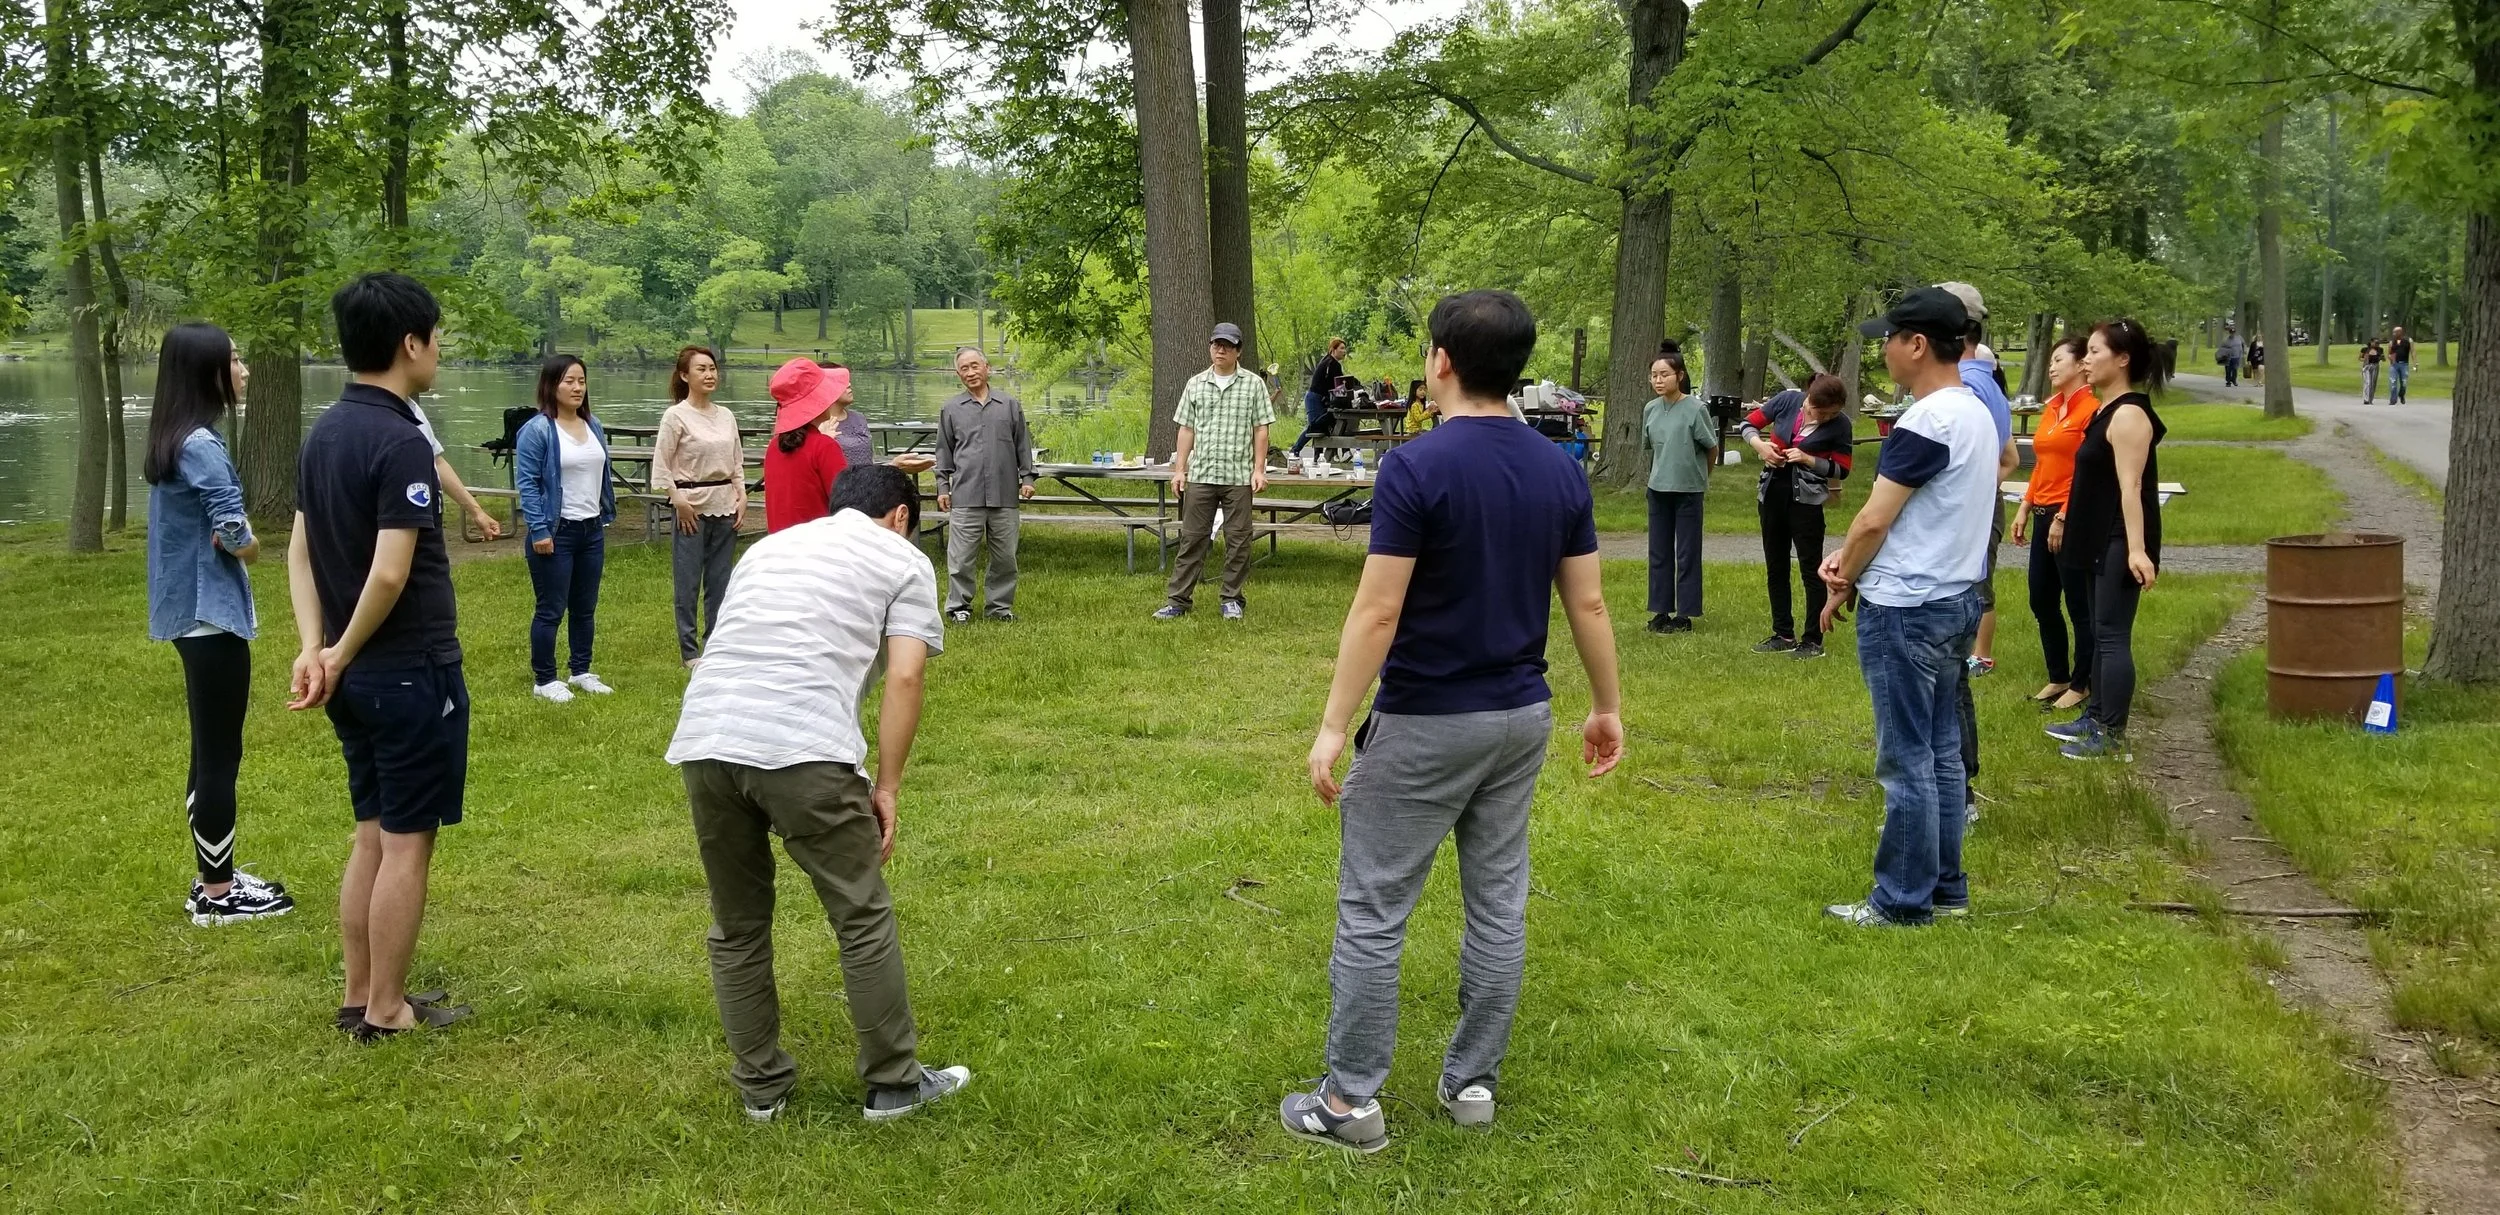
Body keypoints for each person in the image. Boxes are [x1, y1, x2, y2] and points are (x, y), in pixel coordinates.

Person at [1284, 289, 1624, 1152]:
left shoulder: (1416, 465)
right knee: (1498, 902)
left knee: (1373, 907)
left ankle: (1348, 1103)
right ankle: (1471, 1085)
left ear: (1440, 361)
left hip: (1431, 717)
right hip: (1520, 717)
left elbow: (1376, 611)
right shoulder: (1559, 467)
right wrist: (1606, 705)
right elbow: (1586, 601)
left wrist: (1333, 724)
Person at [666, 464, 973, 1124]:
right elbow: (906, 677)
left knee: (737, 922)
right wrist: (887, 785)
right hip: (803, 746)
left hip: (706, 738)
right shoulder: (902, 556)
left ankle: (761, 1089)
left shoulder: (768, 547)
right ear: (900, 516)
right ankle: (894, 1084)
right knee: (860, 911)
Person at [287, 271, 474, 1039]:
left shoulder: (324, 431)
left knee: (370, 831)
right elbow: (392, 570)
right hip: (409, 671)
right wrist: (337, 647)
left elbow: (298, 552)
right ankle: (388, 1009)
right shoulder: (400, 440)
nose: (440, 348)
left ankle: (360, 992)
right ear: (410, 343)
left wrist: (319, 649)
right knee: (406, 840)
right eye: (436, 335)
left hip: (357, 677)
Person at [1816, 287, 1997, 927]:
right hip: (1955, 600)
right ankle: (1946, 890)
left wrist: (1841, 578)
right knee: (1943, 751)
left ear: (1917, 344)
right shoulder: (1975, 410)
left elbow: (1872, 521)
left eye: (1888, 339)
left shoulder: (1924, 421)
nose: (1883, 351)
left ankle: (1900, 901)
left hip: (1908, 606)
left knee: (1907, 759)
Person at [144, 323, 295, 926]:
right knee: (219, 757)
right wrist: (253, 548)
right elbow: (234, 533)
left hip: (186, 612)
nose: (245, 370)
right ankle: (218, 894)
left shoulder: (171, 437)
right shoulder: (201, 444)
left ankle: (212, 877)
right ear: (210, 371)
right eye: (236, 360)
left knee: (206, 750)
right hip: (211, 614)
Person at [2047, 319, 2169, 762]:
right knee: (2100, 634)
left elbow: (2131, 489)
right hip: (2097, 537)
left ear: (2123, 359)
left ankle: (2112, 735)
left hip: (2119, 539)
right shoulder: (2105, 410)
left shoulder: (2131, 414)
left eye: (2095, 352)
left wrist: (2137, 550)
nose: (2086, 360)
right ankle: (2095, 716)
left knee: (2114, 636)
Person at [1154, 322, 1274, 621]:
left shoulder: (1253, 384)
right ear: (1210, 347)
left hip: (1238, 476)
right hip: (1201, 475)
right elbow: (1186, 428)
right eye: (1216, 344)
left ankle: (1231, 599)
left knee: (1238, 540)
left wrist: (1259, 470)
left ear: (1238, 351)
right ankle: (1178, 600)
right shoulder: (1195, 384)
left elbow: (1261, 429)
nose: (1220, 350)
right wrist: (1180, 470)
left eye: (1228, 345)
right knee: (1192, 538)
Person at [515, 355, 617, 703]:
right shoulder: (538, 429)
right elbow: (527, 483)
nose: (576, 387)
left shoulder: (594, 425)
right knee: (551, 608)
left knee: (585, 607)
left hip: (591, 530)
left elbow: (600, 474)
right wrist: (539, 530)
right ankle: (544, 679)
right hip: (556, 531)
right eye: (568, 381)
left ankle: (581, 670)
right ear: (551, 385)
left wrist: (605, 513)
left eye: (581, 381)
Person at [1742, 373, 1855, 659]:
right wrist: (1761, 447)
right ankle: (1782, 632)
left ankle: (1812, 640)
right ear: (1808, 400)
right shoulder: (1787, 401)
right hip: (1771, 493)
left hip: (1806, 501)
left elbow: (1842, 469)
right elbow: (1747, 424)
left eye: (1832, 414)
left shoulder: (1841, 426)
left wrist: (1808, 460)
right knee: (1775, 564)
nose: (1826, 418)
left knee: (1811, 568)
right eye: (1820, 411)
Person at [2011, 336, 2096, 715]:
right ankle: (2058, 675)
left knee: (2078, 602)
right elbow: (2042, 463)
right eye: (2051, 360)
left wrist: (2064, 514)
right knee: (2041, 598)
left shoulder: (2090, 410)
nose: (2052, 366)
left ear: (2081, 365)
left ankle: (2083, 682)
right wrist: (2025, 506)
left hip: (2071, 516)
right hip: (2043, 511)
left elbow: (2086, 470)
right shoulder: (2052, 409)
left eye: (2060, 359)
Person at [655, 346, 747, 668]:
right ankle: (690, 651)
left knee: (720, 580)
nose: (709, 375)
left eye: (712, 368)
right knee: (688, 580)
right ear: (685, 375)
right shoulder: (676, 416)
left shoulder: (726, 415)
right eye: (701, 370)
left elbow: (736, 461)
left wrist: (742, 493)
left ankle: (716, 645)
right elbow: (662, 465)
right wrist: (677, 500)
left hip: (725, 504)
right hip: (690, 507)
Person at [934, 346, 1036, 623]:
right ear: (958, 374)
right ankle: (958, 608)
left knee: (1005, 558)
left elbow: (1022, 446)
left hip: (1005, 495)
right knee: (961, 559)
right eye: (964, 369)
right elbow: (943, 452)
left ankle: (999, 608)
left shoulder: (1009, 405)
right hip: (966, 494)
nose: (970, 372)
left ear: (987, 368)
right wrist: (943, 487)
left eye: (974, 366)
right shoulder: (951, 409)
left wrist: (1027, 478)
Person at [1638, 340, 1714, 634]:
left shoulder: (1696, 410)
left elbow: (1711, 448)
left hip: (1688, 490)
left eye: (1664, 375)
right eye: (1654, 375)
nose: (1658, 380)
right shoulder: (1651, 409)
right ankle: (1660, 611)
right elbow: (1653, 448)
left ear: (1679, 375)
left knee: (1687, 552)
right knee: (1658, 551)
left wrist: (1700, 477)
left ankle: (1685, 613)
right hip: (1658, 489)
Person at [762, 358, 851, 533]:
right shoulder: (825, 446)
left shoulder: (774, 446)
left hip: (779, 546)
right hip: (818, 548)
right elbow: (847, 505)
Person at [1292, 337, 1347, 455]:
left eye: (1344, 349)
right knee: (1314, 427)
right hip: (1314, 398)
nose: (1344, 351)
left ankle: (1319, 457)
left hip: (1321, 398)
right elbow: (1338, 386)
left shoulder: (1329, 362)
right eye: (1341, 348)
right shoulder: (1331, 364)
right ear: (1333, 349)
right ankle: (1295, 451)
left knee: (1322, 427)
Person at [819, 361, 874, 470]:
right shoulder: (815, 424)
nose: (849, 385)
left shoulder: (859, 418)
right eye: (842, 381)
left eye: (848, 381)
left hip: (865, 483)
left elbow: (868, 458)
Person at [2215, 322, 2245, 387]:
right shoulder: (2226, 339)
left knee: (2235, 369)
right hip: (2229, 357)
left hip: (2237, 356)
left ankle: (2234, 379)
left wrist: (2243, 352)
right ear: (2229, 332)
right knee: (2228, 370)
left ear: (2235, 332)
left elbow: (2243, 345)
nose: (2232, 333)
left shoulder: (2239, 338)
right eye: (2231, 332)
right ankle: (2228, 381)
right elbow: (2222, 348)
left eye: (2233, 332)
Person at [2389, 326, 2414, 405]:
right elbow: (2389, 353)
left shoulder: (2408, 341)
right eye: (2393, 332)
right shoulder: (2391, 342)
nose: (2393, 334)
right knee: (2393, 382)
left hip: (2404, 364)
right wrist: (2391, 359)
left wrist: (2415, 362)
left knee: (2404, 382)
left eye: (2395, 332)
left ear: (2400, 332)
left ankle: (2401, 394)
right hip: (2394, 365)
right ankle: (2393, 400)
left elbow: (2412, 351)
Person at [2360, 336, 2386, 404]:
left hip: (2375, 366)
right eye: (2376, 343)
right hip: (2367, 366)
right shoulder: (2365, 349)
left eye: (2378, 343)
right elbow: (2360, 358)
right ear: (2371, 342)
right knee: (2367, 382)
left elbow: (2384, 359)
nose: (2377, 344)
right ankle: (2366, 399)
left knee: (2373, 383)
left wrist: (2382, 358)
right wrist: (2365, 359)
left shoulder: (2380, 349)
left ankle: (2370, 399)